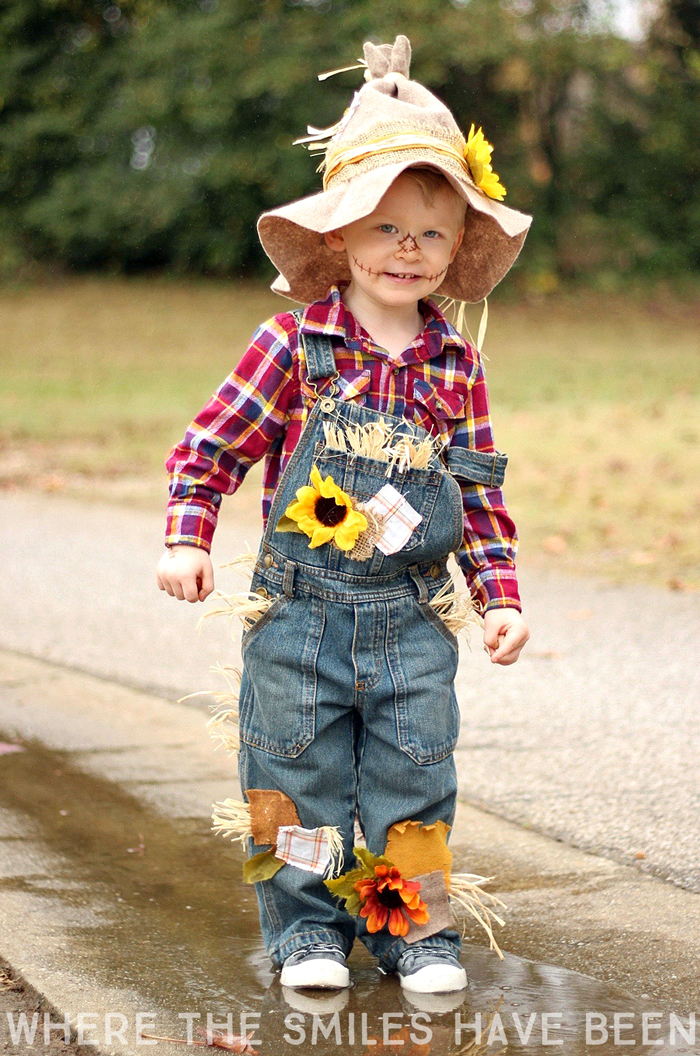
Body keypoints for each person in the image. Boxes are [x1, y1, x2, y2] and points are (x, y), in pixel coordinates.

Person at [156, 35, 531, 995]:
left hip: (411, 617)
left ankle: (413, 933)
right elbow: (215, 444)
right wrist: (187, 530)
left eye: (432, 233)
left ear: (457, 251)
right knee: (298, 771)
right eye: (385, 229)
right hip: (298, 615)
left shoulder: (458, 367)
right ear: (338, 239)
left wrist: (498, 596)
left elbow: (479, 492)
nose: (408, 251)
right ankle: (310, 932)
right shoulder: (290, 344)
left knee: (413, 773)